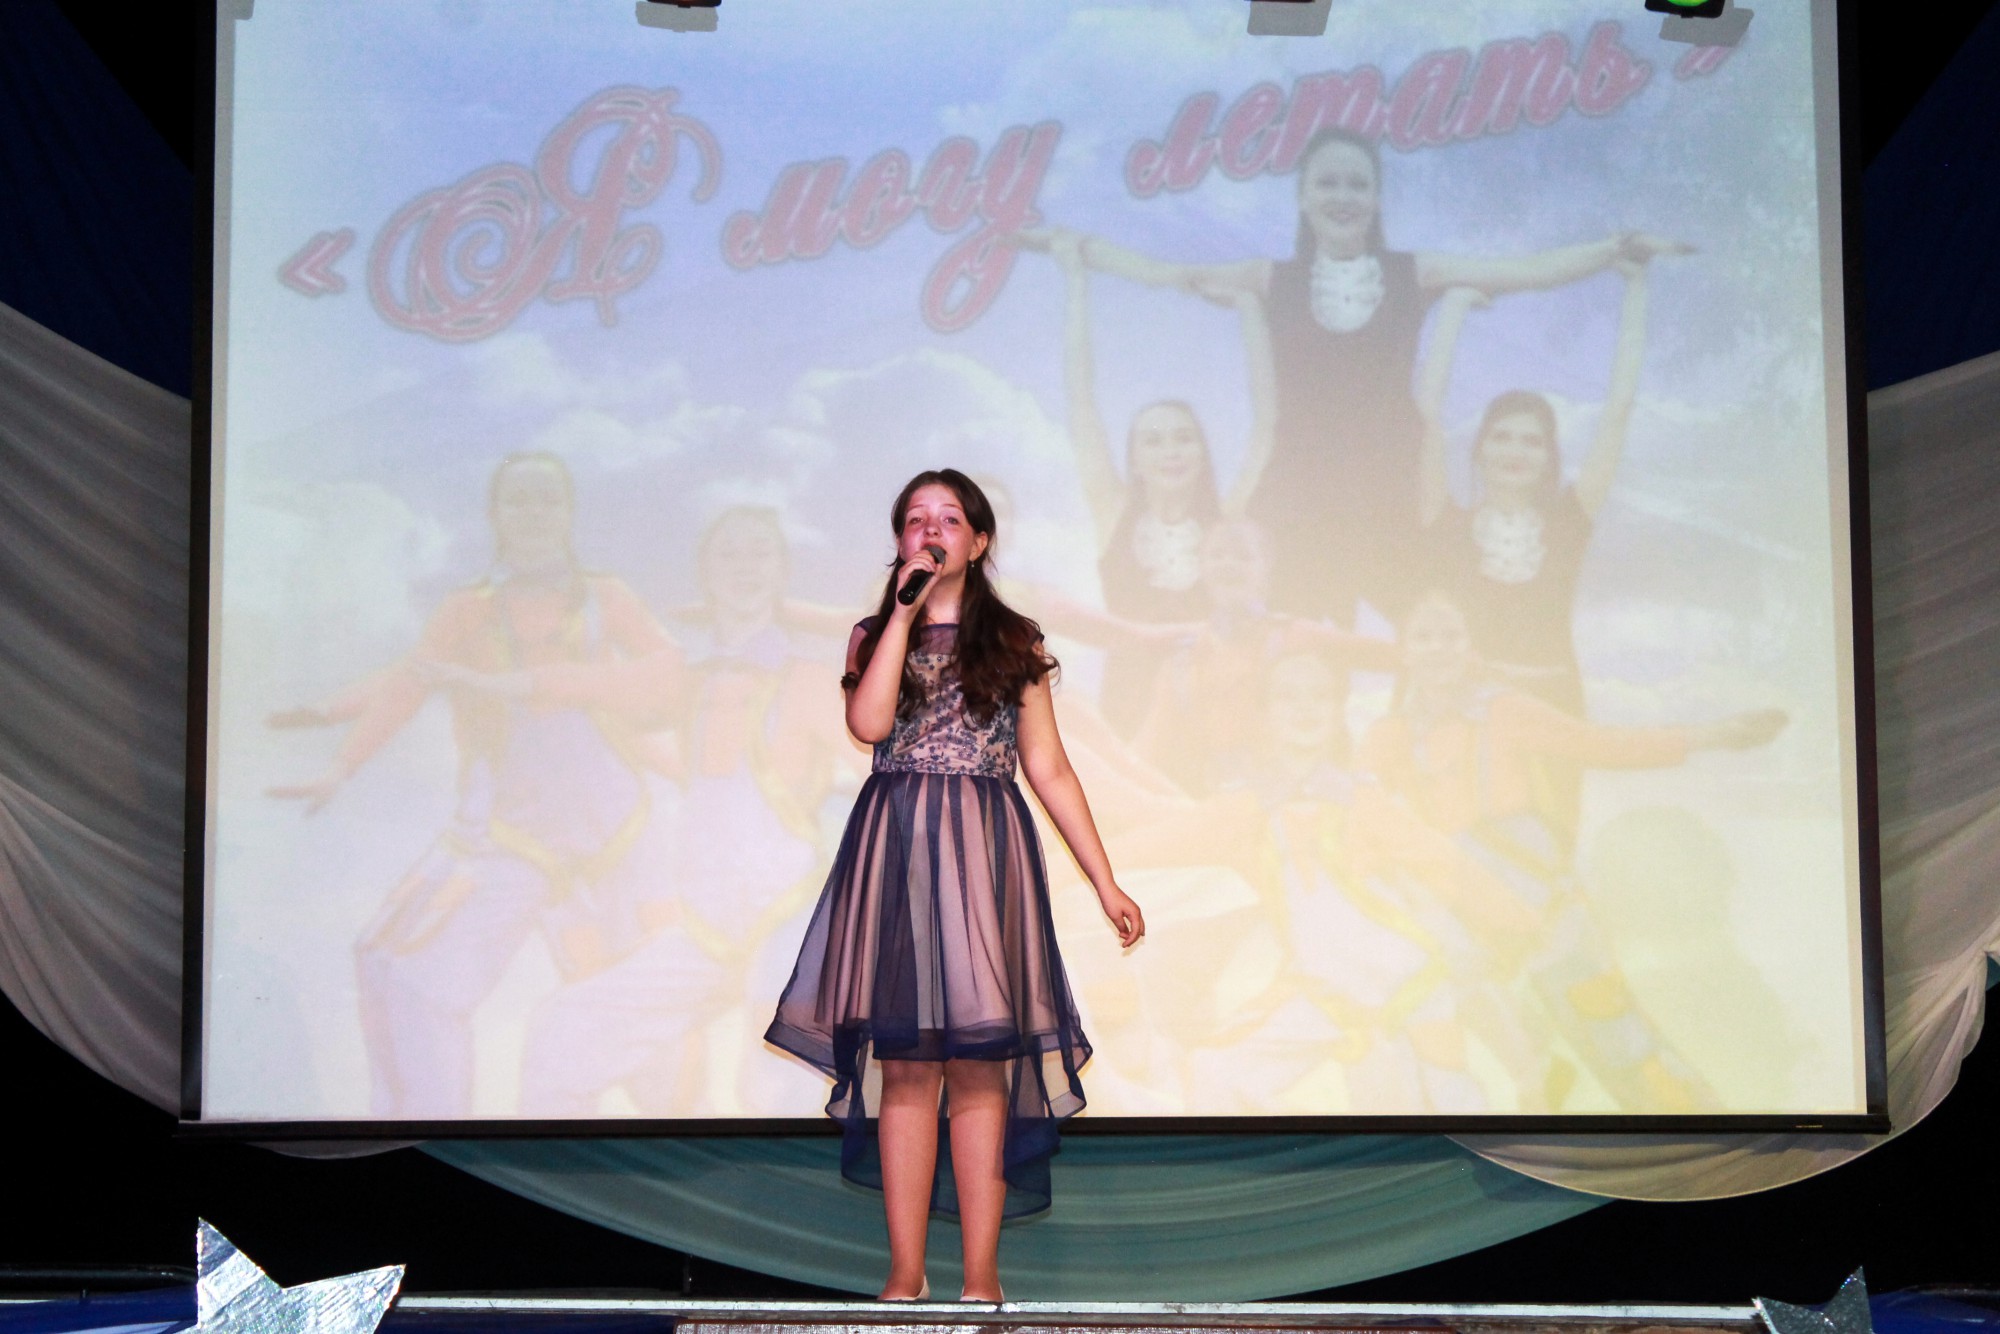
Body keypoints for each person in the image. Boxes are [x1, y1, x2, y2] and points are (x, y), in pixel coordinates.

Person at [765, 469, 1145, 1302]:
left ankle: (981, 1279)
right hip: (898, 852)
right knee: (906, 1067)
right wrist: (903, 614)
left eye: (948, 519)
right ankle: (905, 1274)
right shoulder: (877, 632)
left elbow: (1048, 767)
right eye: (915, 519)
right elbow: (868, 724)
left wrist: (1105, 880)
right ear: (901, 541)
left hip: (982, 854)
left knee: (979, 1066)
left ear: (979, 540)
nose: (931, 530)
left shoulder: (1014, 640)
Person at [1071, 126, 1690, 626]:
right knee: (1294, 649)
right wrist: (1083, 253)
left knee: (1430, 630)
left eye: (1357, 183)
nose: (1342, 195)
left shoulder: (1413, 272)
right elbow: (1174, 274)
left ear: (1376, 198)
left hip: (1390, 493)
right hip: (1296, 498)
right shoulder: (1270, 278)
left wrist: (1613, 250)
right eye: (1327, 182)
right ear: (1303, 197)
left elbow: (1522, 271)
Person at [266, 452, 681, 1117]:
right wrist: (340, 756)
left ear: (568, 512)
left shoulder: (608, 599)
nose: (533, 512)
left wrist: (568, 686)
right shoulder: (467, 610)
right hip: (510, 835)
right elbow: (411, 679)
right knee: (393, 969)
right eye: (518, 499)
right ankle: (423, 1140)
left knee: (638, 1032)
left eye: (547, 499)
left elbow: (668, 673)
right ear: (495, 514)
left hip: (610, 838)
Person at [1356, 589, 1786, 1112]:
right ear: (1403, 651)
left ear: (1469, 647)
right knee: (1420, 993)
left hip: (1540, 904)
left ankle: (1693, 1126)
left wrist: (1709, 736)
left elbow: (1600, 745)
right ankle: (1535, 1077)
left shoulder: (1504, 711)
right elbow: (1359, 819)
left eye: (1450, 635)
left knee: (1618, 1036)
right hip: (1461, 909)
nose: (1438, 648)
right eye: (1423, 637)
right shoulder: (1388, 736)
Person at [1031, 228, 1275, 735]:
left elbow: (1266, 425)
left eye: (1183, 439)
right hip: (1129, 704)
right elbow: (1080, 394)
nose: (1170, 452)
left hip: (1212, 703)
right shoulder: (1114, 511)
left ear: (1202, 453)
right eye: (1154, 441)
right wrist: (1075, 279)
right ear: (1135, 459)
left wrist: (1249, 309)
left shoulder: (1224, 520)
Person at [1415, 258, 1655, 720]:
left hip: (1554, 711)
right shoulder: (1445, 521)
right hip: (1460, 715)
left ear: (1549, 457)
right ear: (1480, 449)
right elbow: (1428, 411)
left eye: (1532, 441)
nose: (1515, 450)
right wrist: (1453, 309)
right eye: (1502, 437)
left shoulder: (1568, 522)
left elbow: (1619, 408)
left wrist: (1637, 288)